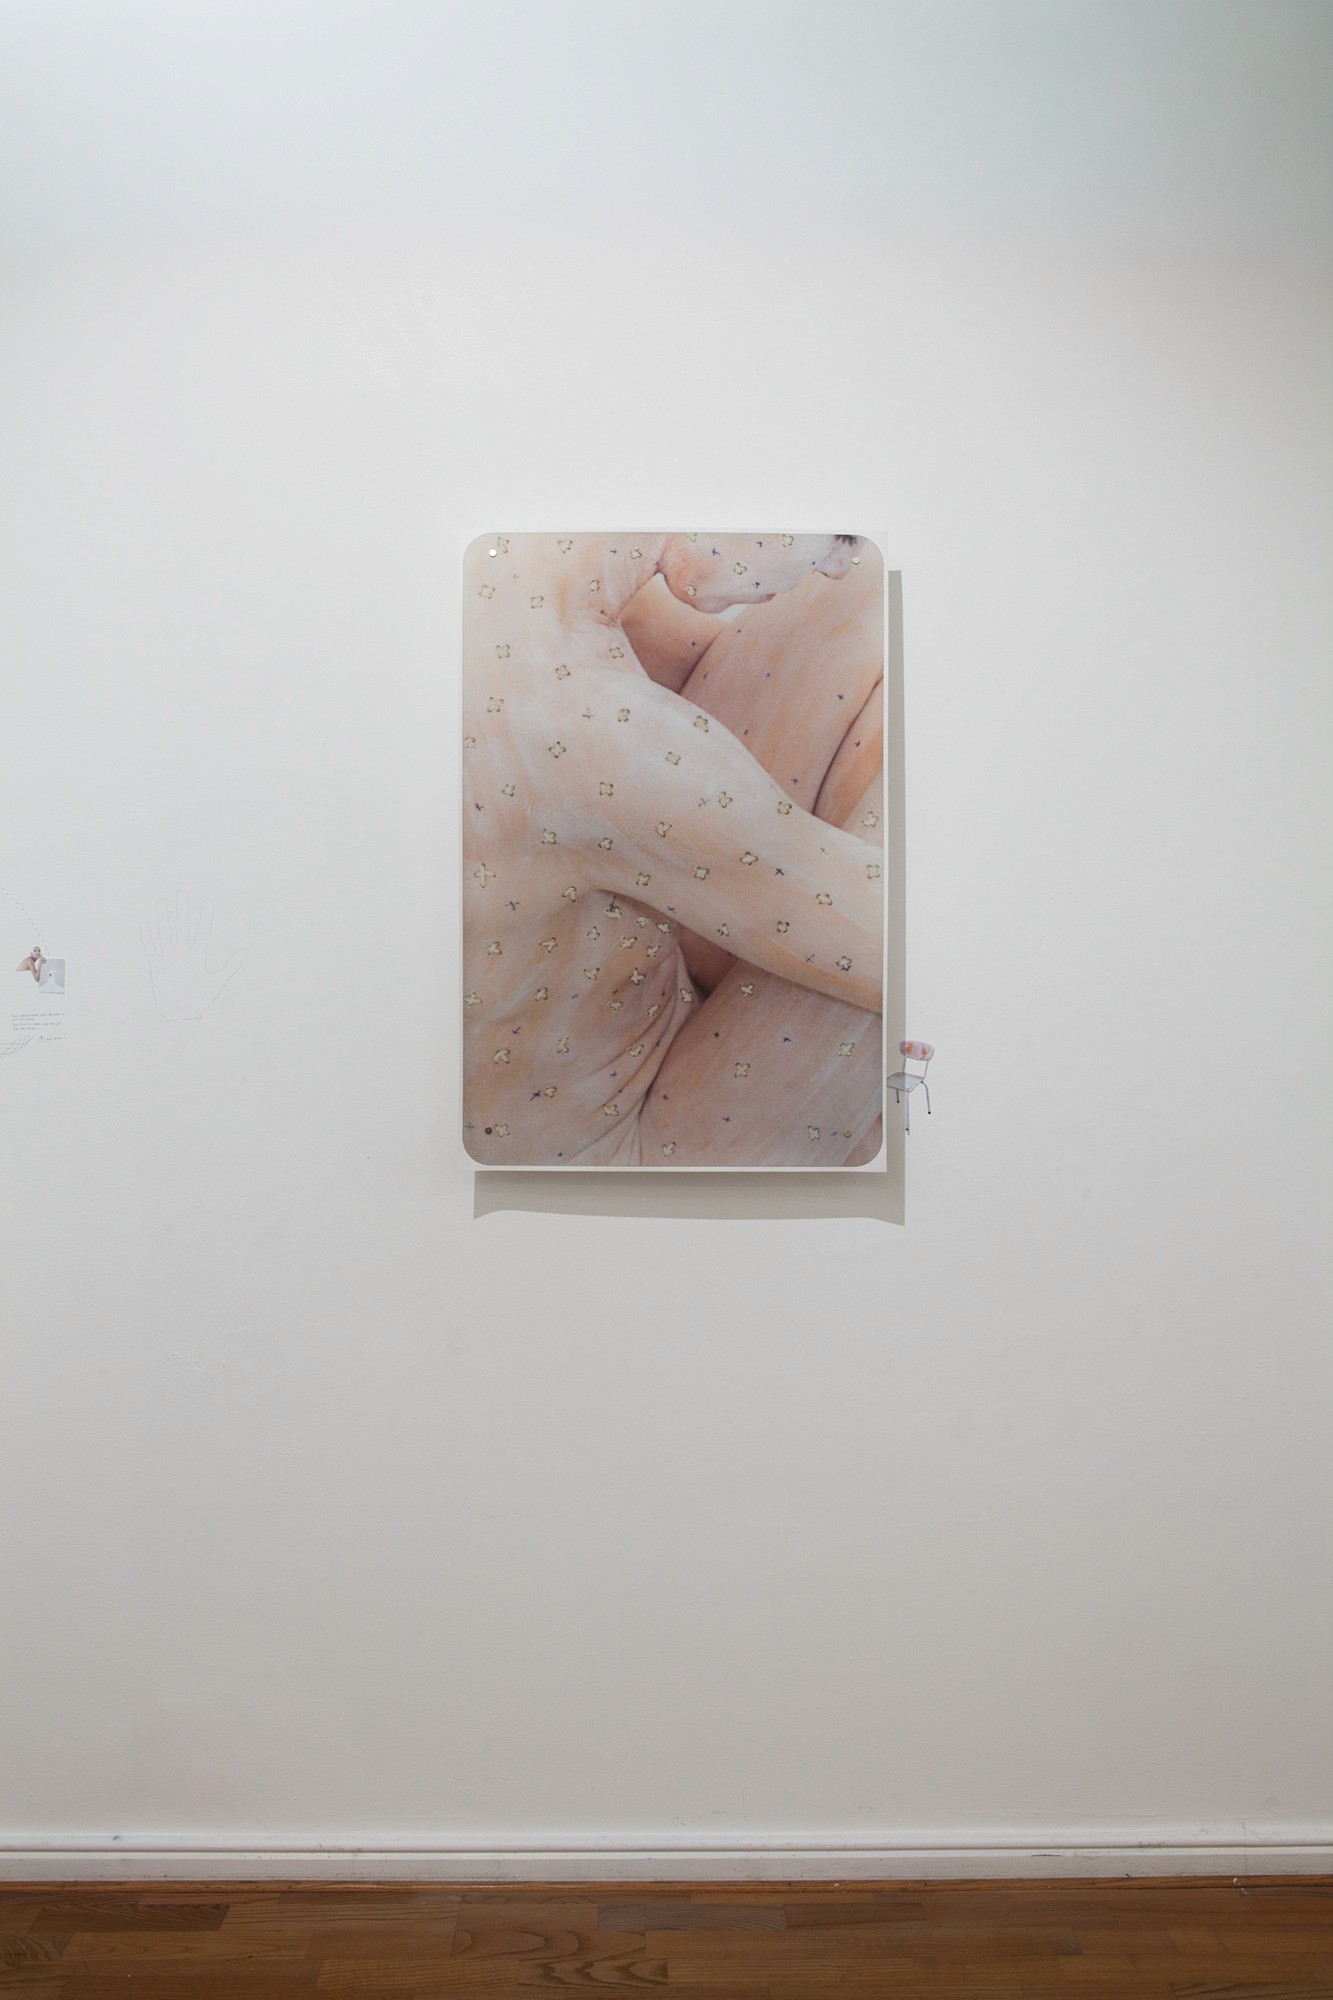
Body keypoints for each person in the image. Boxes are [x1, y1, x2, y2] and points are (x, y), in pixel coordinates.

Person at [463, 533, 884, 1166]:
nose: (838, 562)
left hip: (652, 974)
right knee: (926, 731)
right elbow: (911, 951)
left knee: (875, 593)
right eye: (838, 537)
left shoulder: (512, 579)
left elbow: (704, 656)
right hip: (617, 1148)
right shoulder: (591, 736)